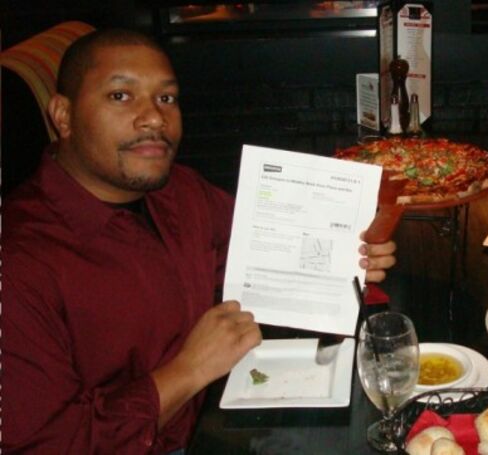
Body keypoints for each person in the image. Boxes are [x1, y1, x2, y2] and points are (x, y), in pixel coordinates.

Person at [0, 29, 397, 454]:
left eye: (166, 98)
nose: (155, 118)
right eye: (120, 96)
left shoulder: (180, 192)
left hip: (222, 411)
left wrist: (347, 257)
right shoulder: (20, 263)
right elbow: (45, 443)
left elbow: (258, 254)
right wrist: (188, 371)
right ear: (63, 116)